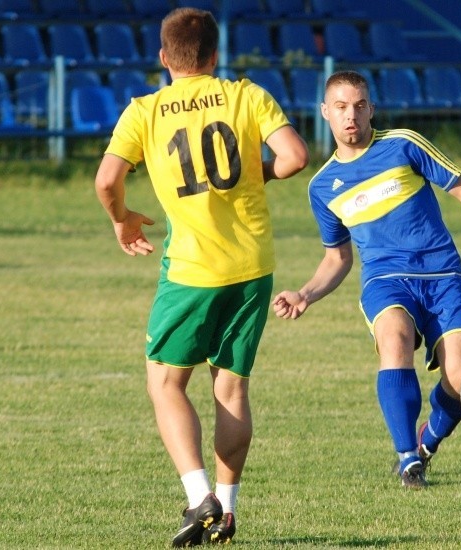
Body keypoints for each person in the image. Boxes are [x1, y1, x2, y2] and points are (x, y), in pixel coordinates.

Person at [95, 8, 309, 546]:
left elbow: (106, 180)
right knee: (231, 389)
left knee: (166, 383)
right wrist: (255, 174)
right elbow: (295, 157)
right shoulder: (246, 96)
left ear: (165, 58)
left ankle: (199, 498)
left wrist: (122, 219)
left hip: (191, 269)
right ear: (216, 55)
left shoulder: (144, 110)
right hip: (253, 266)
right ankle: (228, 510)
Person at [272, 70, 461, 489]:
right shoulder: (322, 186)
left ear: (372, 110)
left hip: (442, 275)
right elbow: (338, 258)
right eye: (342, 107)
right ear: (325, 112)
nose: (352, 116)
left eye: (360, 106)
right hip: (385, 279)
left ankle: (425, 444)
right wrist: (305, 293)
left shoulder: (403, 144)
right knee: (395, 336)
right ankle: (406, 460)